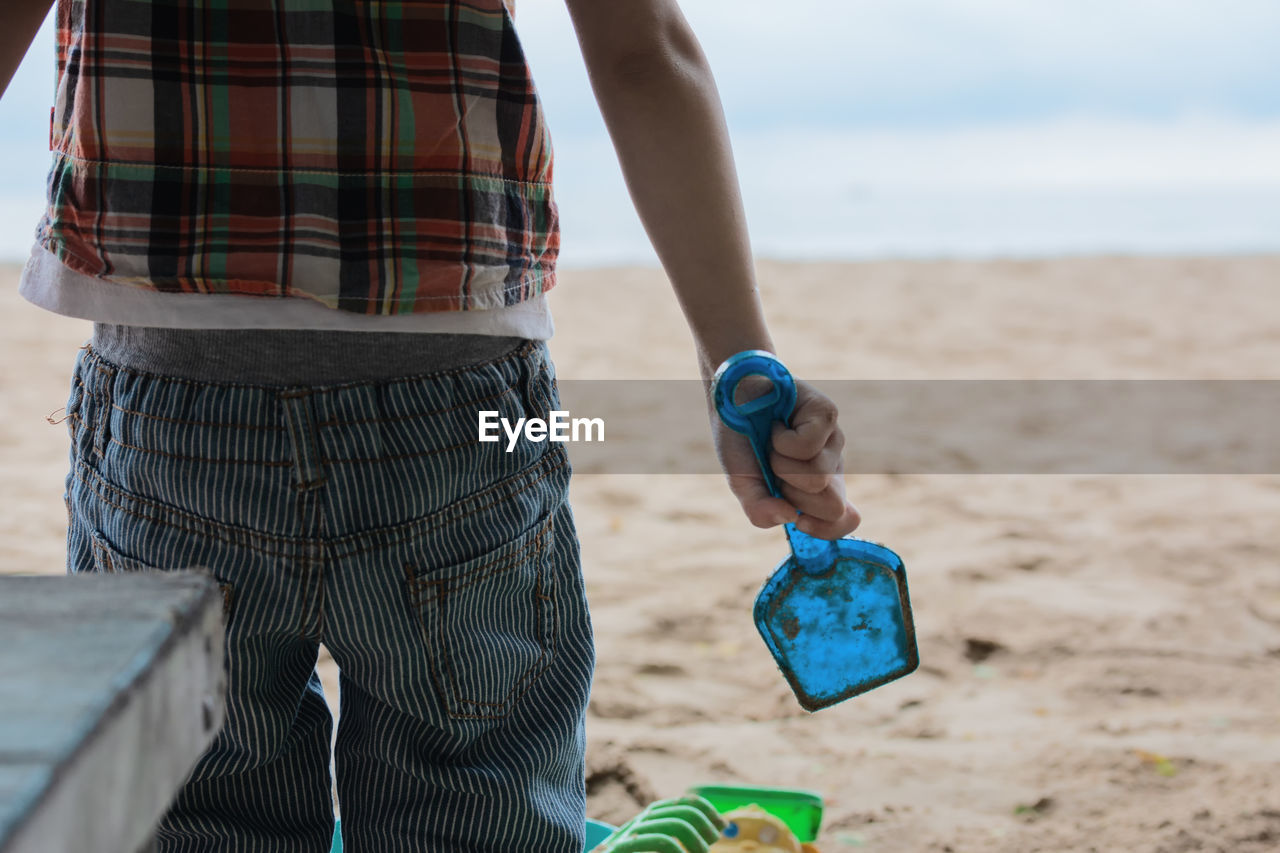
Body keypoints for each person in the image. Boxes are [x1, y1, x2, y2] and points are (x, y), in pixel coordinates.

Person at [0, 1, 861, 850]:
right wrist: (735, 362)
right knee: (476, 804)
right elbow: (642, 49)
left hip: (170, 401)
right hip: (456, 399)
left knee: (189, 805)